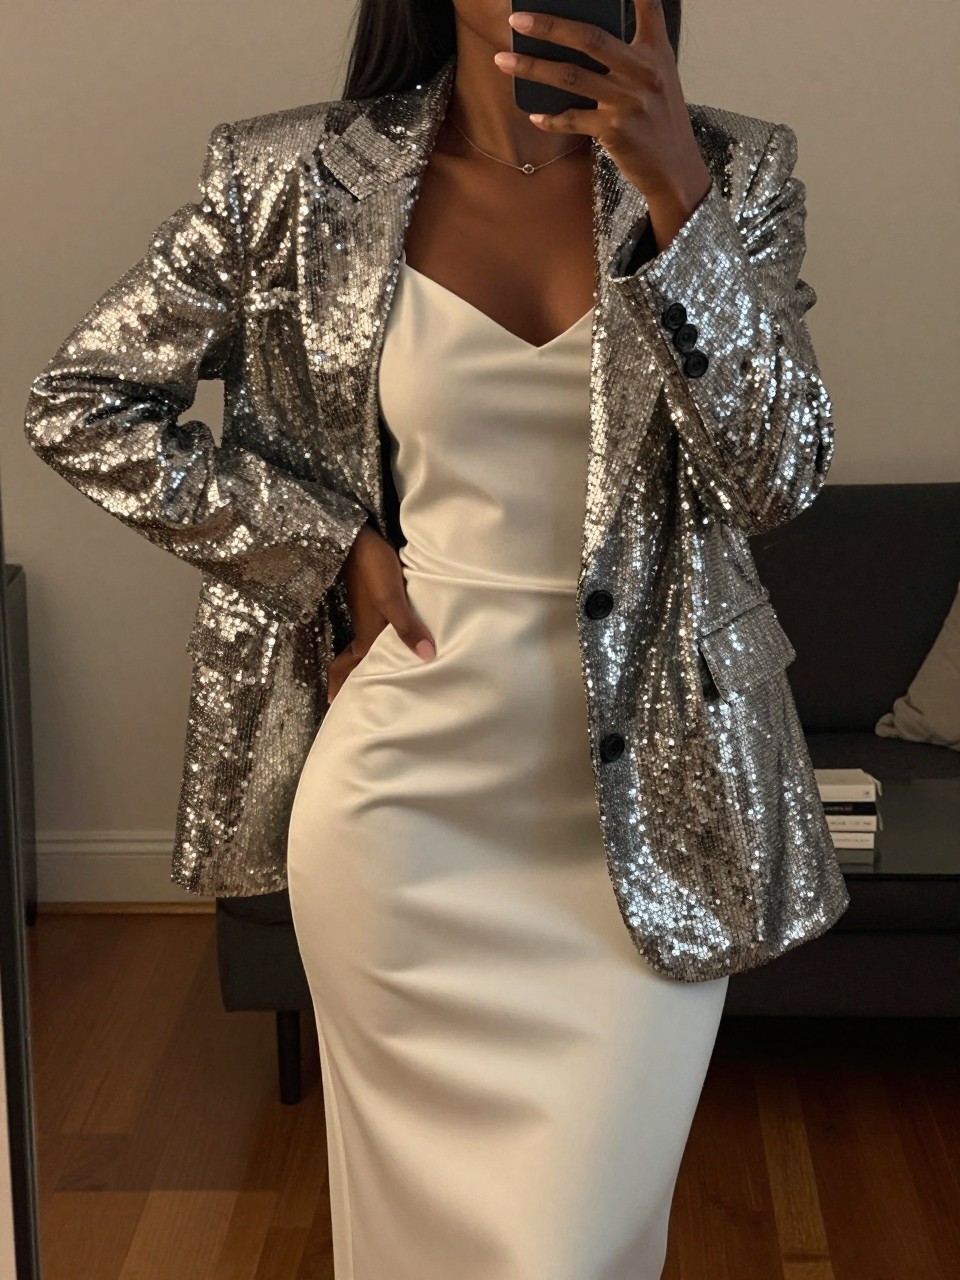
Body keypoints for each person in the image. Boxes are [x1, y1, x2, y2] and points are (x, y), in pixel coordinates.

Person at [23, 2, 850, 1276]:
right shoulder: (289, 176)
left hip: (653, 812)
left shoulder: (736, 167)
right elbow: (82, 400)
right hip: (403, 805)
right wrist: (324, 544)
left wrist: (680, 198)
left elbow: (775, 475)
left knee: (570, 1247)